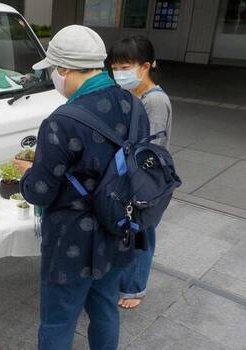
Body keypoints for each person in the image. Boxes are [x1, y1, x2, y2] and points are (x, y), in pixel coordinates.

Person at [13, 25, 150, 350]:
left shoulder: (61, 121)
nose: (53, 78)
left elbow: (40, 191)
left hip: (69, 242)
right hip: (117, 228)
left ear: (63, 69)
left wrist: (27, 174)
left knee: (58, 322)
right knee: (104, 311)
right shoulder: (133, 105)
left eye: (52, 71)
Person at [108, 36, 173, 309]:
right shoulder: (133, 95)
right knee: (130, 233)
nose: (119, 72)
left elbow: (152, 148)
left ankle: (135, 289)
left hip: (148, 182)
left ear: (145, 66)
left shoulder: (155, 101)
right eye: (115, 67)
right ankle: (125, 283)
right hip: (131, 179)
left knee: (143, 234)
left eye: (125, 66)